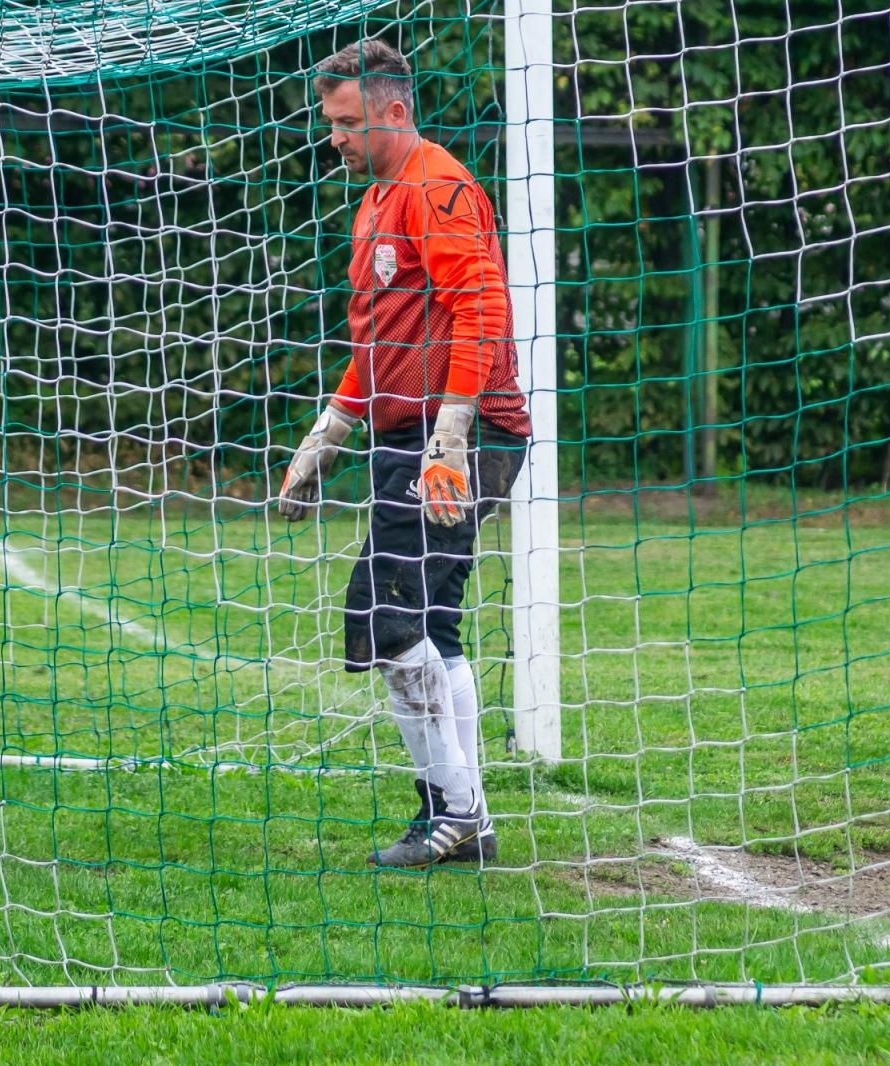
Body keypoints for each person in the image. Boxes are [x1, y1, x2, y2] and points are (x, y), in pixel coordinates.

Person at [278, 39, 532, 868]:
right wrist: (329, 433)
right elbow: (381, 342)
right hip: (413, 435)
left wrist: (451, 434)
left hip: (457, 436)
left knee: (382, 617)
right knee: (428, 624)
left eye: (348, 122)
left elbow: (482, 308)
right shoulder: (376, 201)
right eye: (330, 123)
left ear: (394, 111)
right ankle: (463, 818)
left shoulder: (436, 188)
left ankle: (456, 813)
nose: (335, 138)